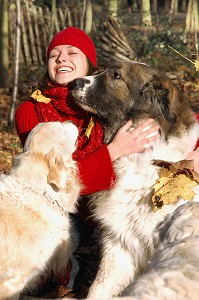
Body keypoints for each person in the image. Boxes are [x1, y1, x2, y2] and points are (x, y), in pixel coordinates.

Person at [14, 27, 198, 291]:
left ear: (89, 64)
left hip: (94, 218)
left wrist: (194, 153)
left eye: (72, 53)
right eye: (54, 54)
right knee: (38, 274)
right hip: (57, 211)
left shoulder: (101, 107)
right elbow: (51, 184)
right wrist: (114, 151)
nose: (61, 58)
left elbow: (181, 116)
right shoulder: (31, 111)